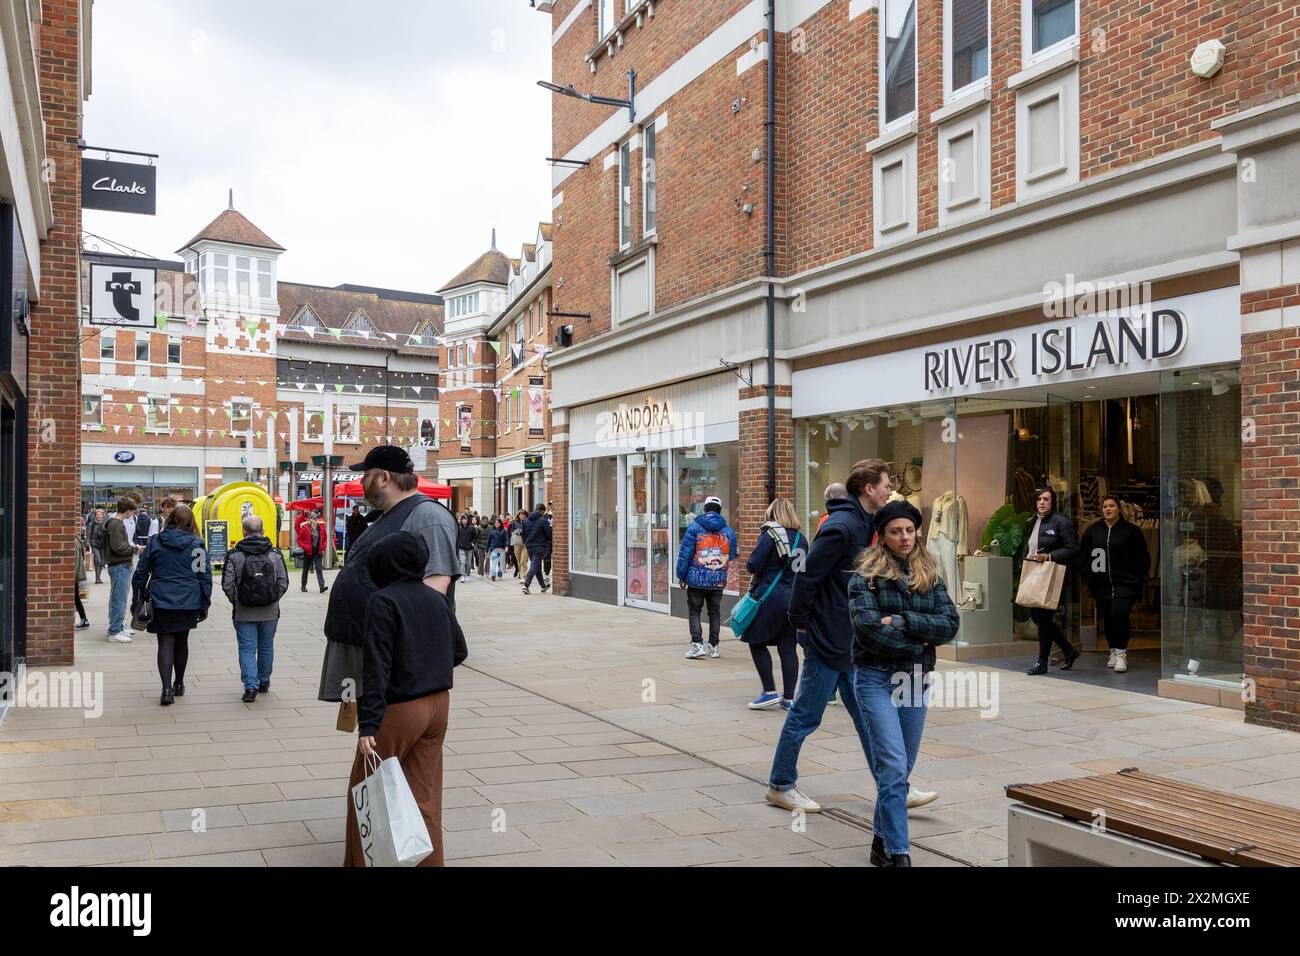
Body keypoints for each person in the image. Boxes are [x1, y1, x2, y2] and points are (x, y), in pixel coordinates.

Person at [766, 459, 891, 813]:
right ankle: (780, 784)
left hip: (848, 636)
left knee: (868, 717)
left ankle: (894, 783)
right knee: (807, 713)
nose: (889, 489)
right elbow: (806, 575)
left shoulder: (863, 522)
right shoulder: (842, 526)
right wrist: (801, 623)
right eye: (885, 484)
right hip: (829, 637)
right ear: (869, 489)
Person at [848, 500, 960, 867]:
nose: (904, 537)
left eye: (909, 530)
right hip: (875, 678)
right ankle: (900, 854)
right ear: (882, 536)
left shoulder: (929, 572)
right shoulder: (864, 575)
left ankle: (880, 842)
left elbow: (950, 624)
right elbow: (867, 631)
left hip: (913, 680)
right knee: (894, 766)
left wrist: (903, 620)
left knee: (900, 769)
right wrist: (922, 640)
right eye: (896, 531)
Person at [345, 532, 467, 867]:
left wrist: (367, 722)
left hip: (399, 709)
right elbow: (460, 650)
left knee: (368, 790)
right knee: (424, 794)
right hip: (438, 706)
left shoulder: (383, 601)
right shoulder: (436, 599)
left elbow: (377, 666)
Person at [318, 445, 460, 708]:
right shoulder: (389, 515)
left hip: (394, 659)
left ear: (384, 477)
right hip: (366, 644)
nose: (361, 481)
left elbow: (435, 584)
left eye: (366, 475)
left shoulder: (428, 516)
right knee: (372, 736)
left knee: (386, 741)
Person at [133, 504, 213, 706]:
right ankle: (179, 683)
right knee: (182, 641)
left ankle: (166, 688)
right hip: (188, 599)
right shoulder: (197, 544)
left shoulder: (156, 542)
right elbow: (204, 575)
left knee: (165, 643)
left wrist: (137, 597)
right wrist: (205, 602)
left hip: (161, 598)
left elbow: (142, 571)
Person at [741, 499, 805, 709]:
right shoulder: (801, 539)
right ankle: (789, 698)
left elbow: (753, 565)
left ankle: (769, 691)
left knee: (755, 640)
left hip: (770, 597)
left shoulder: (770, 535)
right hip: (794, 598)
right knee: (788, 647)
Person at [1077, 495, 1150, 674]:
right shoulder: (1093, 530)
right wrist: (1087, 575)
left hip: (1125, 583)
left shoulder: (1131, 530)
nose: (1108, 509)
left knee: (1119, 613)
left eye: (1111, 506)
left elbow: (1143, 557)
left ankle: (1121, 654)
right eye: (1105, 507)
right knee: (1108, 618)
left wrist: (1137, 577)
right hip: (1101, 584)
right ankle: (1112, 651)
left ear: (1119, 509)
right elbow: (1082, 555)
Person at [222, 515, 290, 702]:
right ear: (263, 531)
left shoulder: (234, 555)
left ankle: (250, 687)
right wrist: (273, 599)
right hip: (270, 611)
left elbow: (227, 584)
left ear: (243, 531)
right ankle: (264, 681)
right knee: (266, 646)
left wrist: (237, 601)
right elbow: (283, 581)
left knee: (246, 648)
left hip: (244, 611)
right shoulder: (275, 554)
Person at [1021, 486, 1080, 676]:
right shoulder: (1032, 521)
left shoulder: (1062, 522)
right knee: (1038, 618)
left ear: (1053, 502)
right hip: (1034, 573)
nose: (1042, 503)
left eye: (1046, 499)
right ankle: (1069, 650)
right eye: (1039, 499)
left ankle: (1042, 662)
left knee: (1044, 618)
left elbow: (1072, 549)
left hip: (1052, 575)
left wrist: (1048, 556)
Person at [676, 496, 738, 659]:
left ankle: (697, 645)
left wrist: (681, 576)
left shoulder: (694, 527)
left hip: (696, 579)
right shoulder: (728, 530)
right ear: (719, 510)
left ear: (704, 509)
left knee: (695, 610)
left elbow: (685, 555)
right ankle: (714, 647)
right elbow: (731, 555)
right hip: (717, 579)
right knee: (715, 612)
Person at [103, 497, 138, 643]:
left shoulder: (113, 523)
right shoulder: (117, 524)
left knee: (117, 598)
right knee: (120, 599)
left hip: (118, 565)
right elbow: (119, 548)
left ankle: (117, 626)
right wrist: (136, 549)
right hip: (120, 565)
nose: (133, 514)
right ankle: (115, 631)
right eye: (132, 511)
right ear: (128, 510)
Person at [521, 503, 552, 594]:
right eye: (544, 511)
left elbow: (524, 535)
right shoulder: (543, 521)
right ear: (542, 511)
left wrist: (526, 543)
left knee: (537, 567)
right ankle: (526, 585)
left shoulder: (526, 521)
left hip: (529, 547)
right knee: (534, 565)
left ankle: (543, 587)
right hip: (540, 546)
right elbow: (549, 534)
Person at [297, 511, 329, 594]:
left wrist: (323, 547)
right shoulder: (305, 529)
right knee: (306, 569)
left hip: (317, 552)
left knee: (319, 569)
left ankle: (322, 587)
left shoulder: (321, 529)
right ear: (310, 520)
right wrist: (304, 546)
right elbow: (299, 539)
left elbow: (325, 539)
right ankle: (303, 585)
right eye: (314, 518)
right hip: (308, 552)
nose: (316, 520)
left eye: (317, 518)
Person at [74, 530, 90, 630]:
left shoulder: (74, 542)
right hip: (76, 574)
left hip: (74, 575)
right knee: (75, 598)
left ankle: (84, 619)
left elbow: (74, 560)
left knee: (75, 597)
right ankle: (84, 619)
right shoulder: (76, 540)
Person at [87, 508, 107, 583]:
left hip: (103, 545)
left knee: (102, 562)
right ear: (95, 516)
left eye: (100, 514)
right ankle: (97, 578)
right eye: (97, 514)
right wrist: (87, 545)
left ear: (102, 516)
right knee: (98, 560)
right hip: (94, 544)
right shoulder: (91, 524)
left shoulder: (105, 524)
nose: (99, 516)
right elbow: (88, 535)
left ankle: (98, 578)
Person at [487, 518, 509, 582]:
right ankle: (493, 575)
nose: (496, 524)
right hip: (494, 549)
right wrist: (486, 550)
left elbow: (506, 539)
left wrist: (507, 546)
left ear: (500, 523)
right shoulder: (491, 531)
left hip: (501, 548)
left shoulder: (504, 531)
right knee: (494, 562)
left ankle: (499, 575)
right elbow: (488, 541)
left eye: (498, 522)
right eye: (495, 523)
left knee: (501, 563)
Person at [455, 514, 476, 580]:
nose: (463, 520)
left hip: (469, 548)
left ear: (467, 520)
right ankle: (463, 576)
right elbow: (457, 537)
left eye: (465, 519)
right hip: (461, 547)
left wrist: (473, 543)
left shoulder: (471, 528)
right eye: (462, 519)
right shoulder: (459, 528)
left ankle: (468, 575)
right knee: (463, 562)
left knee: (469, 563)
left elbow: (475, 537)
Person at [510, 510, 528, 579]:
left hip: (525, 543)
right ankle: (521, 572)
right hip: (517, 543)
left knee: (523, 560)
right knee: (518, 559)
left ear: (526, 515)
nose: (522, 516)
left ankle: (523, 574)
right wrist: (515, 531)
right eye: (520, 515)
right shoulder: (514, 522)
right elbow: (511, 531)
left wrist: (520, 531)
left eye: (523, 515)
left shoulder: (528, 522)